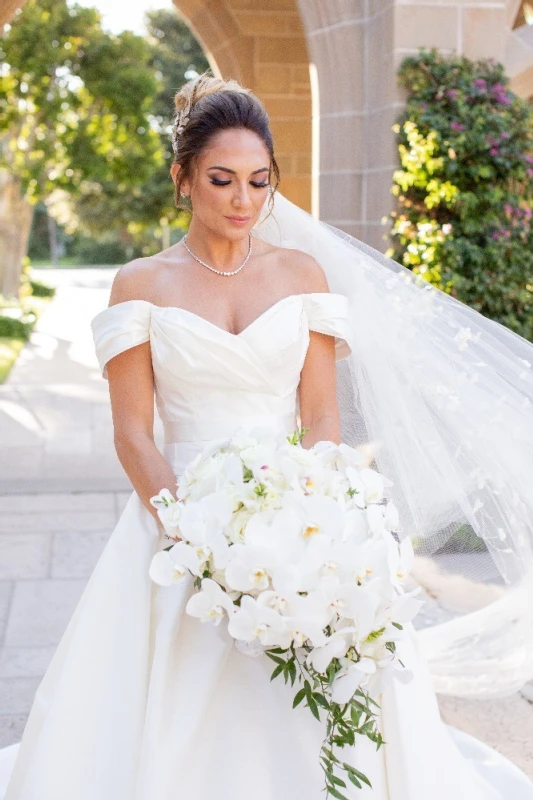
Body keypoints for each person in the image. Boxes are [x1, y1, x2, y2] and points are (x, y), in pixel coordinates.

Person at [2, 72, 533, 800]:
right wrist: (189, 538)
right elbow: (133, 433)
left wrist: (318, 520)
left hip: (300, 513)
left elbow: (319, 416)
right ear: (182, 179)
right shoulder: (140, 284)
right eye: (221, 180)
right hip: (176, 517)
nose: (243, 200)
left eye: (258, 181)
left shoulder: (301, 274)